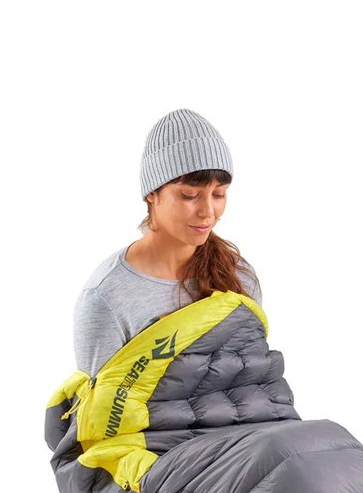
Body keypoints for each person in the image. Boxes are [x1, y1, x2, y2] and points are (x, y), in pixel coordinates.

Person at [73, 108, 263, 379]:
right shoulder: (107, 298)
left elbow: (254, 383)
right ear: (152, 193)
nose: (208, 212)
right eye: (189, 195)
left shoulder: (238, 274)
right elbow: (102, 403)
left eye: (219, 194)